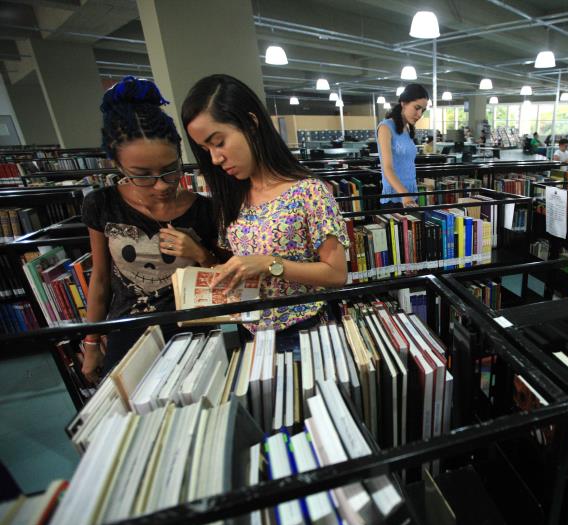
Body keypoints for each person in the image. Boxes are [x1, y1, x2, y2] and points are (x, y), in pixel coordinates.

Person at [182, 74, 348, 343]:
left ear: (251, 123)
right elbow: (238, 266)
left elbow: (337, 274)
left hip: (301, 331)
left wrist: (270, 264)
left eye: (219, 142)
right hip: (248, 331)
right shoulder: (231, 196)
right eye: (205, 149)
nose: (215, 158)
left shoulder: (309, 192)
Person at [80, 77, 220, 383]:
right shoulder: (101, 204)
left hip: (193, 324)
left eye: (170, 170)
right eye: (142, 175)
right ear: (118, 165)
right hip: (129, 328)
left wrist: (200, 254)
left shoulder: (205, 209)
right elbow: (100, 279)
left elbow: (222, 279)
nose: (161, 186)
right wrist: (91, 342)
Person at [376, 83, 429, 208]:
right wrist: (405, 195)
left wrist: (409, 196)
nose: (420, 114)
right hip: (395, 198)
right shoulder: (385, 127)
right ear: (404, 103)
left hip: (411, 195)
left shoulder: (407, 129)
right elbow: (387, 168)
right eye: (417, 108)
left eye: (423, 110)